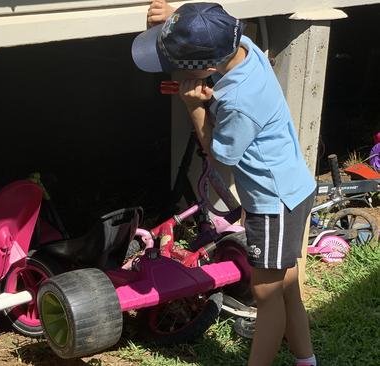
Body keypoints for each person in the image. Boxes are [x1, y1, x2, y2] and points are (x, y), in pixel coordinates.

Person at [132, 2, 318, 366]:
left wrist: (194, 107)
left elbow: (220, 156)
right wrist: (180, 21)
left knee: (266, 295)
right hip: (292, 189)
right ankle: (306, 360)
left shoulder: (238, 102)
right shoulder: (245, 50)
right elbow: (214, 26)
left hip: (273, 203)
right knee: (287, 286)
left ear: (208, 69)